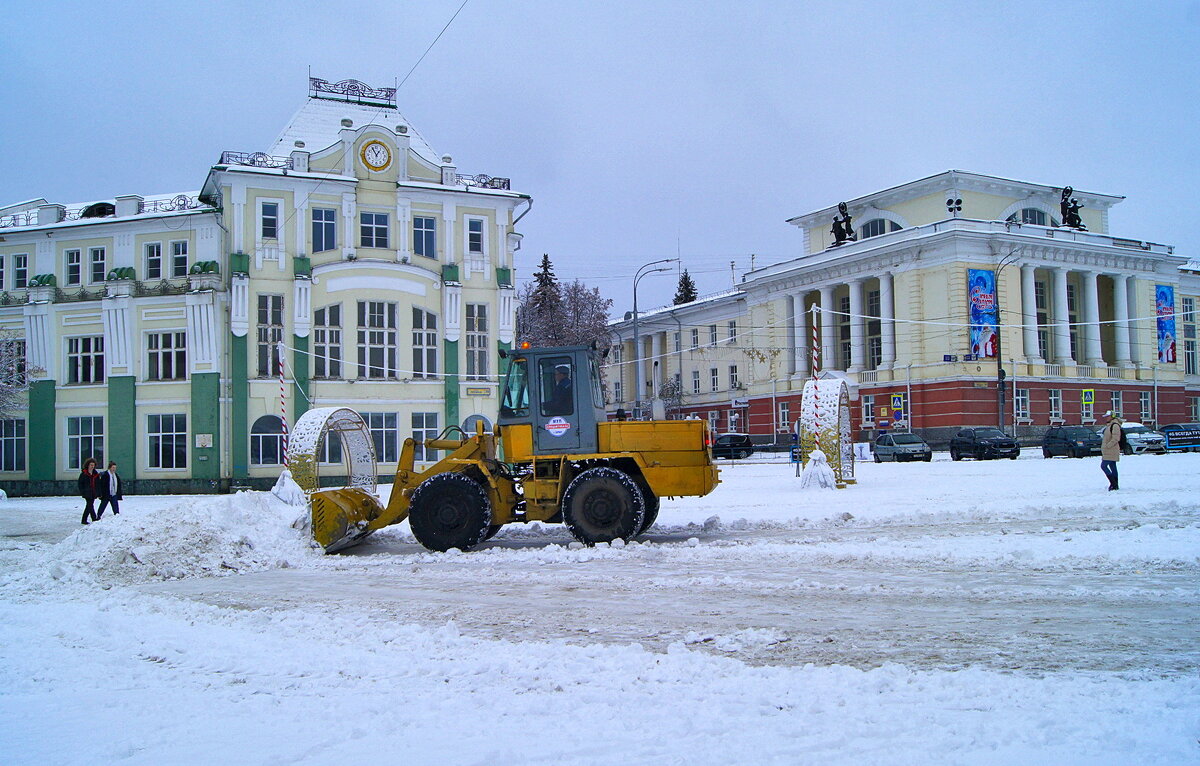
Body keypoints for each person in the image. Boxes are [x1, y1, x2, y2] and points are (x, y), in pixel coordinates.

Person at [1100, 410, 1123, 491]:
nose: (1106, 418)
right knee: (1112, 466)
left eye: (1107, 416)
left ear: (1112, 416)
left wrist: (1107, 446)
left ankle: (1113, 483)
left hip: (1111, 450)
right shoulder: (1109, 425)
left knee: (1103, 466)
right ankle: (1115, 485)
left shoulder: (1115, 425)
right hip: (1109, 450)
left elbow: (1116, 438)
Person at [78, 458, 102, 525]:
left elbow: (98, 483)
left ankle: (88, 519)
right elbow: (80, 483)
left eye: (93, 465)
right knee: (90, 505)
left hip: (93, 492)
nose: (92, 466)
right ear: (88, 465)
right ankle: (91, 518)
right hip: (87, 492)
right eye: (91, 465)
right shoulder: (84, 473)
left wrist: (99, 492)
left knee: (90, 505)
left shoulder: (95, 473)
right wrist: (82, 491)